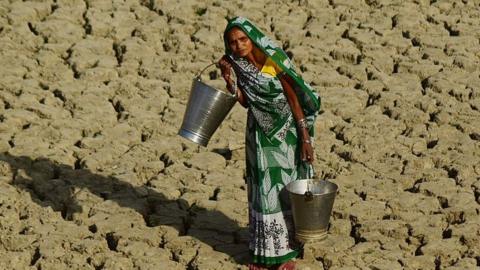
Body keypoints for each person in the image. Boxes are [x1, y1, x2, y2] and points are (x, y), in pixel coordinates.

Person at [218, 17, 321, 270]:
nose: (239, 46)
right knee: (263, 190)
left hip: (286, 134)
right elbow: (245, 101)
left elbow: (294, 99)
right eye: (233, 42)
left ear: (252, 39)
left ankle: (287, 254)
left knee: (286, 188)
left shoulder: (272, 60)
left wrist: (305, 138)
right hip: (258, 134)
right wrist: (228, 78)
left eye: (243, 39)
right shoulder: (237, 64)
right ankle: (264, 254)